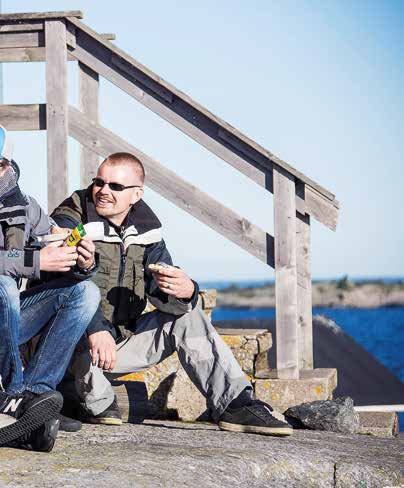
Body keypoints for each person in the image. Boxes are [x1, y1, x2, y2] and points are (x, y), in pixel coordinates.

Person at [52, 152, 292, 436]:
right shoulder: (71, 216)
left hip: (115, 347)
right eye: (99, 182)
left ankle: (236, 404)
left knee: (189, 315)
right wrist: (94, 328)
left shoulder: (147, 231)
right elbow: (60, 283)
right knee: (102, 405)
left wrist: (187, 291)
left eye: (115, 186)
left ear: (136, 195)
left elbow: (161, 294)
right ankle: (81, 397)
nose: (103, 191)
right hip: (68, 345)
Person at [0, 126, 100, 451]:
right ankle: (18, 413)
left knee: (86, 292)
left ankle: (33, 397)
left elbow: (51, 237)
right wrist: (36, 261)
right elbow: (33, 260)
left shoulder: (25, 206)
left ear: (7, 163)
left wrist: (82, 259)